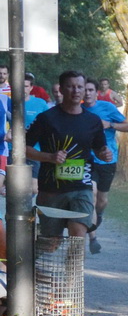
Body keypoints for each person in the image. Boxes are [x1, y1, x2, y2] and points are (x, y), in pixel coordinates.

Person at [25, 71, 110, 245]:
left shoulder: (92, 120)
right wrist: (49, 156)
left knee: (77, 235)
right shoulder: (47, 118)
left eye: (80, 87)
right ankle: (36, 269)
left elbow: (100, 148)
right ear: (62, 89)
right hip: (51, 188)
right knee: (51, 243)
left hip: (81, 185)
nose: (76, 91)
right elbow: (24, 149)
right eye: (70, 86)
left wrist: (104, 153)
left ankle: (74, 272)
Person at [83, 78, 128, 253]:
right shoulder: (79, 110)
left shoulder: (108, 108)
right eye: (85, 90)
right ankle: (93, 238)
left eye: (90, 90)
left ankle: (99, 214)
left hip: (108, 159)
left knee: (102, 201)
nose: (87, 93)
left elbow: (127, 126)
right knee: (91, 195)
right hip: (88, 160)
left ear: (96, 92)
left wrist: (110, 124)